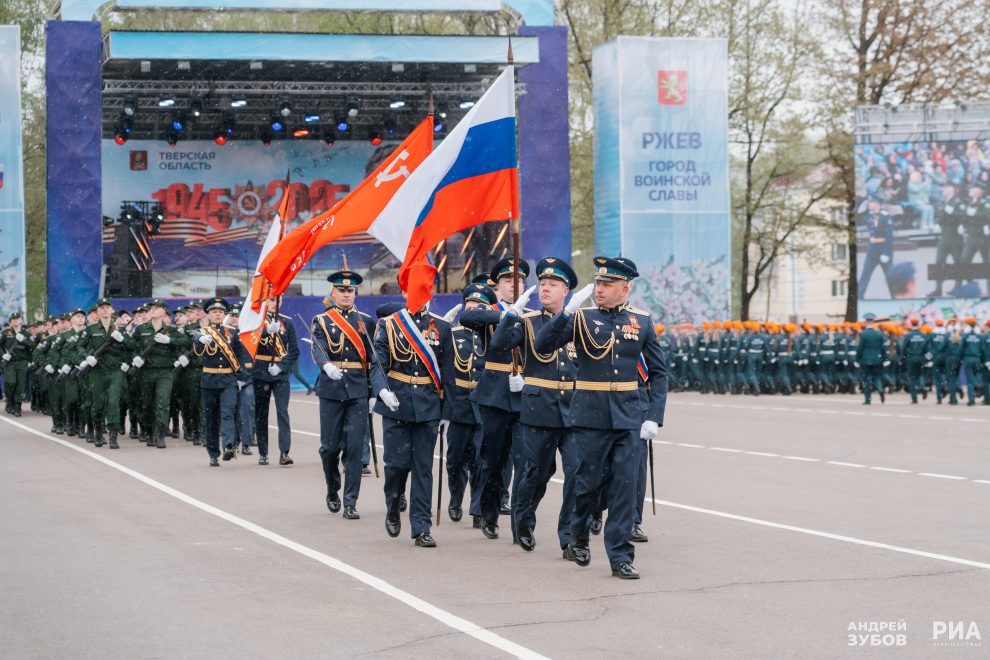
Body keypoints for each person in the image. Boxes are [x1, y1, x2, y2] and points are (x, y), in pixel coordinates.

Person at [535, 256, 668, 580]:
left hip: (628, 417)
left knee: (624, 487)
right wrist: (567, 312)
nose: (600, 290)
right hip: (590, 416)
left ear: (625, 288)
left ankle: (620, 556)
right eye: (598, 284)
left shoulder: (643, 321)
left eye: (608, 285)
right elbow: (543, 344)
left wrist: (653, 416)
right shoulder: (582, 318)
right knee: (587, 485)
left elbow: (660, 373)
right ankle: (578, 535)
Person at [490, 257, 580, 554]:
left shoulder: (580, 322)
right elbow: (499, 345)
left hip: (574, 409)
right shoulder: (528, 321)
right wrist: (512, 313)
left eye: (553, 285)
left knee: (578, 474)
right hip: (538, 410)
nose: (545, 289)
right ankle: (524, 521)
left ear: (566, 290)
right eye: (542, 284)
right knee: (536, 473)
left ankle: (569, 536)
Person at [371, 284, 455, 548]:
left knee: (423, 468)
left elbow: (448, 372)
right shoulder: (389, 324)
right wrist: (382, 390)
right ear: (404, 293)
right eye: (411, 290)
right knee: (395, 465)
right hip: (397, 402)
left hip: (428, 406)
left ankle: (421, 527)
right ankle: (394, 506)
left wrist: (447, 410)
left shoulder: (441, 327)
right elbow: (378, 363)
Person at [460, 258, 531, 540]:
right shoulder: (491, 312)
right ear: (498, 286)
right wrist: (505, 314)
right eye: (508, 281)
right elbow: (467, 318)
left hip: (526, 393)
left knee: (527, 461)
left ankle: (522, 522)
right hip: (495, 394)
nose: (515, 285)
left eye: (520, 281)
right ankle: (488, 513)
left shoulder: (533, 315)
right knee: (492, 459)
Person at [312, 272, 374, 517]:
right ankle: (332, 488)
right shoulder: (322, 320)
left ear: (355, 293)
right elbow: (318, 346)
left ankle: (350, 502)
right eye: (342, 290)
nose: (347, 294)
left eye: (350, 291)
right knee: (329, 448)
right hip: (331, 389)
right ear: (333, 293)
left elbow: (373, 359)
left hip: (358, 388)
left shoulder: (366, 321)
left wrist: (373, 392)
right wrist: (326, 365)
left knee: (355, 448)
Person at [444, 284, 494, 524]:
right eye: (470, 307)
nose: (473, 311)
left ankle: (477, 507)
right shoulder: (452, 335)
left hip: (483, 405)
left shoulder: (493, 337)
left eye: (479, 307)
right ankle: (455, 498)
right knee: (455, 459)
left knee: (481, 459)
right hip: (459, 405)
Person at [129, 300, 190, 448]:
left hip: (165, 371)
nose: (153, 310)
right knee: (147, 404)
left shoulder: (170, 329)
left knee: (162, 402)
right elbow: (131, 346)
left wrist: (169, 340)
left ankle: (160, 433)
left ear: (164, 311)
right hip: (146, 372)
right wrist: (135, 357)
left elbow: (185, 341)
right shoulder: (141, 329)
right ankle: (149, 431)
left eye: (157, 308)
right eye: (152, 308)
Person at [195, 298, 246, 466]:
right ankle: (213, 453)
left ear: (224, 315)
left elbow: (240, 355)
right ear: (208, 315)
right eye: (214, 312)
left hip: (228, 379)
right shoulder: (201, 333)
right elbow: (197, 351)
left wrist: (241, 377)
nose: (217, 314)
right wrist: (199, 341)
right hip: (209, 380)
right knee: (211, 418)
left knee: (228, 413)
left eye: (220, 312)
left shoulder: (233, 333)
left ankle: (229, 446)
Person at [253, 297, 300, 466]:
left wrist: (281, 366)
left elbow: (294, 351)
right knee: (261, 413)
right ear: (265, 301)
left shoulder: (287, 322)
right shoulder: (256, 322)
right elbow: (249, 342)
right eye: (271, 300)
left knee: (282, 412)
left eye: (277, 300)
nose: (275, 303)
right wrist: (265, 330)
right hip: (260, 372)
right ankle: (263, 453)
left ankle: (284, 452)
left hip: (280, 374)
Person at [77, 298, 128, 448]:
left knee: (113, 403)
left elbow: (131, 347)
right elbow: (79, 346)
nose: (105, 310)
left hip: (115, 371)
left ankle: (113, 435)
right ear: (97, 312)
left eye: (108, 307)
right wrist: (87, 357)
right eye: (102, 308)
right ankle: (98, 431)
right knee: (97, 405)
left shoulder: (120, 329)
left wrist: (123, 340)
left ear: (112, 310)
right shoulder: (91, 329)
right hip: (97, 371)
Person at [858, 199, 895, 299]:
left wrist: (886, 253)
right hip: (872, 251)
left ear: (877, 203)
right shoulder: (869, 215)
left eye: (871, 202)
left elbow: (889, 236)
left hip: (883, 250)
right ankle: (859, 297)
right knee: (865, 274)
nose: (869, 204)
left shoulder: (886, 216)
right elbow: (859, 216)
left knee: (889, 277)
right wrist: (862, 208)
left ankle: (895, 297)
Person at [2, 312, 35, 417]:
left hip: (22, 362)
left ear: (21, 320)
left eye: (17, 319)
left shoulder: (27, 334)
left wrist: (24, 340)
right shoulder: (6, 333)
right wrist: (3, 355)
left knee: (20, 385)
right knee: (10, 383)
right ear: (10, 322)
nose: (16, 321)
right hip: (10, 363)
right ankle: (10, 399)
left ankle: (17, 406)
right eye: (13, 319)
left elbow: (33, 346)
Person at [855, 313, 886, 405]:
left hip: (866, 359)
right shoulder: (879, 334)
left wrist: (857, 360)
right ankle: (880, 389)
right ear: (873, 322)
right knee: (876, 377)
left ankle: (867, 399)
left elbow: (860, 348)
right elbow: (883, 348)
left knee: (866, 379)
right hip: (877, 359)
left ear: (865, 322)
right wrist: (885, 359)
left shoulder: (863, 334)